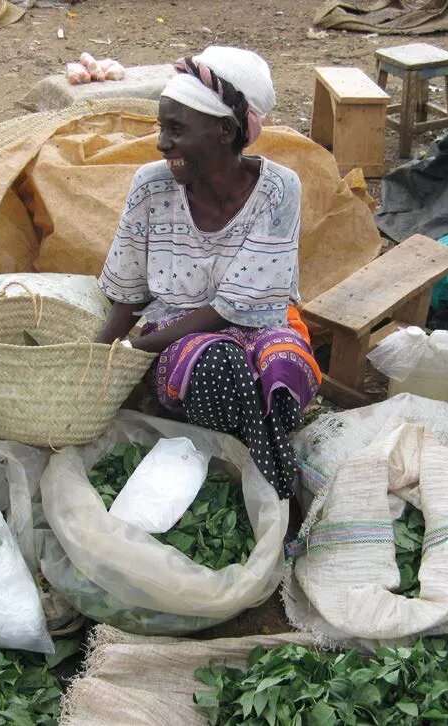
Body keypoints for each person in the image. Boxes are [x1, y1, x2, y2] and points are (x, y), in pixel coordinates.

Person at [95, 46, 321, 499]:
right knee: (219, 364)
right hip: (176, 335)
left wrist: (130, 347)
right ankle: (274, 485)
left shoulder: (279, 190)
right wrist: (98, 356)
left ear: (224, 130)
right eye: (163, 127)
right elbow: (129, 289)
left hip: (260, 324)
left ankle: (252, 478)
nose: (162, 143)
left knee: (281, 365)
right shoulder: (152, 186)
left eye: (176, 129)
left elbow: (235, 307)